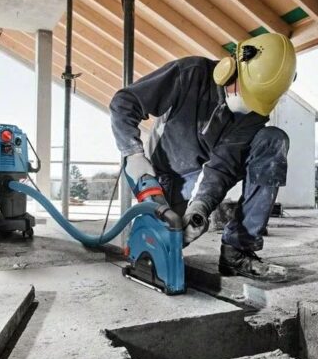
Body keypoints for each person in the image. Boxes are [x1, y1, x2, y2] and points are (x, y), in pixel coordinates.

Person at [109, 33, 296, 279]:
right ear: (231, 68)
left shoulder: (253, 115)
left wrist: (201, 206)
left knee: (272, 139)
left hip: (206, 175)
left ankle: (237, 251)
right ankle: (155, 228)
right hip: (165, 178)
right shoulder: (191, 74)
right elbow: (124, 102)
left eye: (254, 101)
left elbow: (223, 165)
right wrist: (133, 153)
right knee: (161, 246)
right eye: (246, 93)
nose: (247, 105)